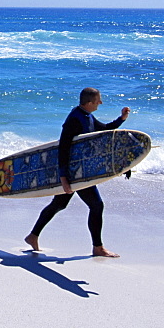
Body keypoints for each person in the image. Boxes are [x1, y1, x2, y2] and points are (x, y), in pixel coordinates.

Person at [24, 87, 130, 258]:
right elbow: (63, 149)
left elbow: (103, 130)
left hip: (79, 170)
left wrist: (121, 119)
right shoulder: (74, 120)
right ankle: (98, 247)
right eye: (98, 101)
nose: (100, 103)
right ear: (89, 103)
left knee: (59, 204)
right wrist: (64, 178)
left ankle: (32, 236)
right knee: (96, 205)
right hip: (75, 173)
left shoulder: (86, 115)